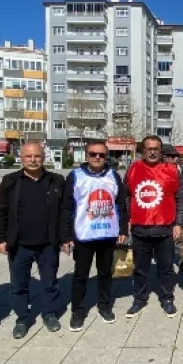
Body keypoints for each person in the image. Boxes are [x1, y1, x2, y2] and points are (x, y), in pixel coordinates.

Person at [0, 141, 66, 339]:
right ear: (21, 158)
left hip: (47, 243)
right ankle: (22, 318)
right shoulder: (10, 181)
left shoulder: (56, 180)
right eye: (28, 156)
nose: (33, 160)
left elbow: (64, 211)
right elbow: (0, 211)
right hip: (19, 244)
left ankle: (49, 314)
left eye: (37, 156)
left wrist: (65, 237)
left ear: (44, 158)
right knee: (18, 284)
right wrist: (0, 238)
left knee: (49, 282)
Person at [60, 140, 129, 329]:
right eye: (93, 154)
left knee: (105, 273)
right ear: (86, 155)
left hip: (107, 233)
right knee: (80, 275)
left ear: (107, 157)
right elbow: (66, 207)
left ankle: (105, 306)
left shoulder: (113, 176)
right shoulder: (75, 176)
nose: (97, 157)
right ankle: (78, 311)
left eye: (101, 155)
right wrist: (65, 236)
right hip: (84, 234)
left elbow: (121, 204)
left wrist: (123, 229)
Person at [125, 135, 183, 317]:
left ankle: (167, 298)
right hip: (140, 228)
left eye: (156, 149)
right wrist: (128, 218)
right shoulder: (133, 169)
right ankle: (139, 298)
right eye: (148, 148)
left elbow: (182, 197)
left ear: (161, 151)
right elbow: (126, 196)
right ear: (143, 151)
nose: (152, 151)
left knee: (166, 267)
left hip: (164, 228)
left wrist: (179, 223)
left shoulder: (173, 170)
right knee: (140, 267)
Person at [163, 144, 183, 274]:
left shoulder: (178, 169)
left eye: (176, 156)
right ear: (164, 157)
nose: (175, 158)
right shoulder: (160, 170)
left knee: (182, 238)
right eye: (172, 156)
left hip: (180, 209)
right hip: (165, 210)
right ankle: (165, 263)